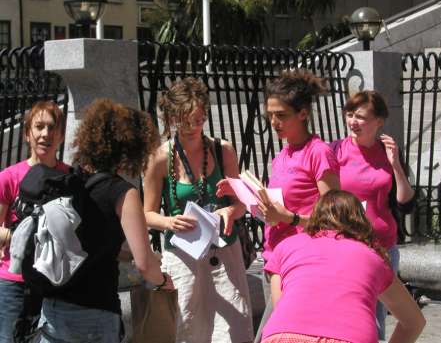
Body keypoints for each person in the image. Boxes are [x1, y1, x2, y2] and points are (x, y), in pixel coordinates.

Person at [217, 69, 340, 342]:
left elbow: (337, 218)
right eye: (270, 115)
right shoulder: (284, 154)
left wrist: (292, 218)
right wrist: (242, 194)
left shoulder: (318, 153)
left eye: (281, 115)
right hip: (275, 258)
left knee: (278, 335)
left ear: (303, 113)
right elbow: (274, 210)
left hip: (302, 262)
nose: (274, 122)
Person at [37, 99, 173, 343]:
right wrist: (163, 281)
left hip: (53, 309)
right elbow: (144, 264)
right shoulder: (122, 192)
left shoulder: (70, 180)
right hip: (95, 312)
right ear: (132, 148)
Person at [143, 77, 253, 343]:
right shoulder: (159, 158)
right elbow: (146, 214)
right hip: (183, 256)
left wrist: (231, 212)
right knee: (189, 330)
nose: (192, 127)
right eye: (184, 120)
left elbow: (242, 202)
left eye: (198, 119)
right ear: (170, 118)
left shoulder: (222, 150)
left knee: (234, 330)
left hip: (224, 252)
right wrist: (169, 222)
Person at [262, 189, 425, 343]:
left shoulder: (286, 247)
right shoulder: (373, 258)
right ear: (361, 221)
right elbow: (414, 322)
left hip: (283, 335)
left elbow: (280, 306)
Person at [331, 90, 416, 340]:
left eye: (360, 117)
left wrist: (396, 165)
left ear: (379, 121)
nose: (353, 122)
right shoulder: (335, 151)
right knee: (347, 312)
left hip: (382, 248)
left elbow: (406, 203)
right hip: (346, 246)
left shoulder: (388, 152)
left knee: (375, 317)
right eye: (349, 115)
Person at [0, 101, 69, 342]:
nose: (45, 134)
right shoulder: (9, 177)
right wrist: (25, 238)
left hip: (57, 285)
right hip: (14, 284)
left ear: (61, 135)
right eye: (39, 127)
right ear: (28, 133)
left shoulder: (70, 178)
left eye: (52, 127)